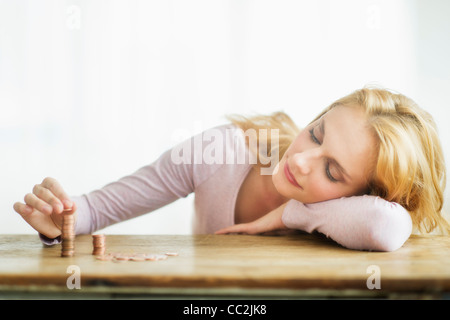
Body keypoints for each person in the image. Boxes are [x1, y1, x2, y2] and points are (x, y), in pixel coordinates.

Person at [13, 86, 449, 252]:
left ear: (369, 195)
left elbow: (382, 227)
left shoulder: (370, 216)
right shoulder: (220, 151)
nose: (299, 161)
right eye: (316, 134)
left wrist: (287, 214)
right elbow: (93, 210)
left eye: (332, 172)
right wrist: (61, 219)